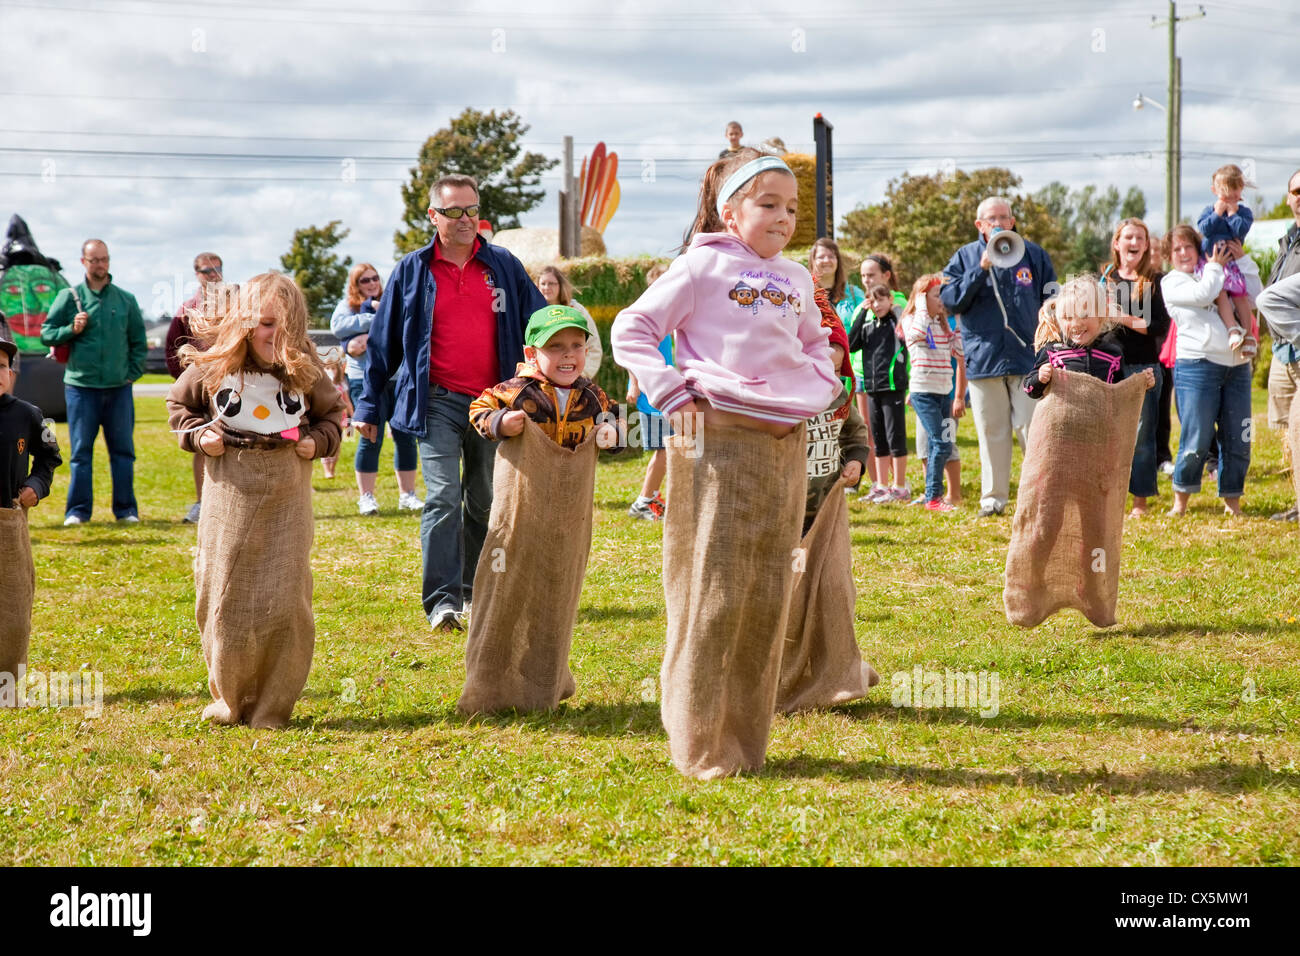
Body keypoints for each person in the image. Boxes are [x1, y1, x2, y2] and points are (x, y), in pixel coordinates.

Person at [612, 147, 840, 779]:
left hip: (782, 446)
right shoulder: (701, 266)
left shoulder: (797, 278)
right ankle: (700, 737)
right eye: (768, 204)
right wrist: (670, 390)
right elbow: (632, 328)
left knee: (768, 590)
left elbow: (819, 344)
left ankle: (743, 737)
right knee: (712, 589)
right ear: (729, 209)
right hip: (714, 444)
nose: (783, 217)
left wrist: (820, 386)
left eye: (792, 207)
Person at [355, 174, 547, 632]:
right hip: (436, 400)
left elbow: (538, 320)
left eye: (472, 210)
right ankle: (441, 601)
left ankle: (472, 591)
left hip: (495, 406)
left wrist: (564, 360)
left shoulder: (503, 266)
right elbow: (383, 346)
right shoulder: (412, 270)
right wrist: (367, 406)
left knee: (483, 500)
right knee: (441, 496)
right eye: (455, 211)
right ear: (433, 216)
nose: (466, 220)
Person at [167, 273, 344, 728]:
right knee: (222, 594)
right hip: (229, 490)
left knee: (285, 597)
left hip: (287, 490)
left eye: (285, 326)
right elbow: (179, 410)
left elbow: (332, 416)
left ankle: (272, 705)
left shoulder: (305, 369)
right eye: (266, 323)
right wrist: (199, 435)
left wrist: (319, 442)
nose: (275, 335)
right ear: (245, 324)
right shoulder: (214, 367)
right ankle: (230, 698)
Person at [458, 306, 619, 714]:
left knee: (556, 587)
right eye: (556, 347)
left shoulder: (592, 394)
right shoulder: (514, 390)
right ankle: (491, 680)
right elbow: (478, 409)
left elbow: (615, 422)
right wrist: (499, 422)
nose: (568, 356)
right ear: (532, 354)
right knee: (510, 580)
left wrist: (612, 433)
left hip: (568, 513)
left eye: (576, 346)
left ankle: (544, 676)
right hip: (523, 506)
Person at [941, 196, 1057, 517]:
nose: (998, 223)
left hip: (1027, 358)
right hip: (984, 358)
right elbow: (950, 300)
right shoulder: (964, 257)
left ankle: (1040, 497)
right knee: (992, 431)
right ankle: (993, 500)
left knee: (1030, 428)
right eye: (991, 218)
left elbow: (1052, 298)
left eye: (1004, 218)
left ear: (1013, 221)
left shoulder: (1032, 254)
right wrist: (980, 270)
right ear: (979, 225)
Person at [40, 239, 147, 526]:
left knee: (123, 453)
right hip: (81, 388)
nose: (100, 265)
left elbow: (138, 342)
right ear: (83, 262)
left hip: (118, 389)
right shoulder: (68, 297)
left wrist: (131, 374)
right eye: (94, 260)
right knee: (80, 454)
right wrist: (70, 328)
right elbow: (47, 334)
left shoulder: (126, 299)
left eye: (104, 259)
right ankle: (77, 512)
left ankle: (126, 511)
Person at [1161, 226, 1260, 516]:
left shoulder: (1223, 272)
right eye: (1176, 249)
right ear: (1169, 256)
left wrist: (1242, 263)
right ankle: (1181, 499)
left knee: (1239, 436)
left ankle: (1232, 499)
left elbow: (1254, 297)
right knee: (1196, 437)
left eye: (1188, 247)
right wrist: (1217, 267)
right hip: (1197, 365)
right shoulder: (1173, 283)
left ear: (1198, 248)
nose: (1183, 253)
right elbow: (1205, 293)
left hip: (1238, 367)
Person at [0, 318, 62, 684]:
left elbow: (51, 455)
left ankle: (6, 679)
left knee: (12, 605)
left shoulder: (30, 414)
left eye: (3, 367)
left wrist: (37, 485)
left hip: (8, 520)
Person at [331, 263, 420, 515]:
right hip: (365, 380)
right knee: (371, 437)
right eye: (364, 281)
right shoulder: (348, 305)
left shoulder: (391, 299)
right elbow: (338, 328)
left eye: (374, 279)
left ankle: (408, 495)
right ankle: (367, 498)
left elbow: (406, 325)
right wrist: (374, 318)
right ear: (355, 285)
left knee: (405, 437)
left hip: (399, 378)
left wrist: (365, 335)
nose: (371, 283)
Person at [1101, 219, 1172, 516]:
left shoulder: (1157, 280)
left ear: (1145, 246)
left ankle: (1139, 501)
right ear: (1117, 243)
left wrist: (1122, 317)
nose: (1134, 242)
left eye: (1139, 238)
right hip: (1107, 367)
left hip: (1143, 368)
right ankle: (1108, 497)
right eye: (1128, 237)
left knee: (1142, 437)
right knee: (1107, 435)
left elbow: (1159, 325)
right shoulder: (1103, 279)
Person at [166, 251, 225, 524]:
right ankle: (203, 503)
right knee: (203, 442)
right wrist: (186, 383)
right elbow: (172, 347)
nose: (212, 275)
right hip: (201, 386)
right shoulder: (187, 309)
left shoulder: (236, 304)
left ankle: (228, 501)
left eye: (217, 269)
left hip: (232, 384)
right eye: (206, 271)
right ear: (197, 274)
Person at [1024, 276, 1154, 398]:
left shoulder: (1113, 354)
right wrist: (1039, 378)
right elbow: (1029, 389)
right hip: (1064, 421)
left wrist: (1142, 384)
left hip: (1102, 421)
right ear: (1059, 319)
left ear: (1101, 316)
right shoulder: (1053, 352)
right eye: (1068, 317)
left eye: (1084, 315)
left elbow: (1120, 393)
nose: (1076, 324)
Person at [902, 275, 967, 511]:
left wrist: (958, 321)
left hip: (944, 393)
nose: (942, 300)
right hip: (923, 393)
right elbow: (917, 333)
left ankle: (934, 496)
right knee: (940, 441)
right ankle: (933, 497)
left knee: (945, 442)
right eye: (936, 295)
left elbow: (959, 353)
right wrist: (922, 307)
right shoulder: (911, 320)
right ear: (921, 299)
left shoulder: (943, 325)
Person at [1262, 168, 1300, 521]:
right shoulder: (1288, 241)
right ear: (1288, 198)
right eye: (1296, 191)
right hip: (1282, 351)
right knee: (1291, 431)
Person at [849, 283, 910, 502]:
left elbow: (906, 331)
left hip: (893, 387)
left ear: (890, 301)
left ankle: (900, 486)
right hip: (872, 388)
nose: (877, 305)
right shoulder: (867, 326)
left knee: (896, 438)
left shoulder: (896, 323)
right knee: (878, 438)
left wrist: (894, 310)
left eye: (881, 300)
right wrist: (862, 313)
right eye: (872, 301)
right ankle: (882, 486)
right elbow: (851, 344)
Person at [626, 262, 670, 520]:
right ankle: (644, 501)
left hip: (675, 391)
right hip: (653, 393)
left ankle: (654, 498)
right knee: (665, 449)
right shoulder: (646, 318)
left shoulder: (675, 316)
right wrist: (634, 383)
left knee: (678, 448)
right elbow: (632, 353)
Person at [1196, 164, 1256, 353]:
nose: (1229, 196)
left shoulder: (1243, 213)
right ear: (1214, 191)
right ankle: (1232, 330)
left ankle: (1249, 336)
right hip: (1213, 264)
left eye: (1234, 190)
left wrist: (1231, 213)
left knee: (1240, 297)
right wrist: (1217, 213)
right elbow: (1204, 229)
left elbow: (1240, 230)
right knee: (1220, 294)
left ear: (1241, 190)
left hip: (1233, 265)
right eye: (1224, 192)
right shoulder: (1209, 210)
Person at [536, 264, 603, 380]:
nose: (546, 287)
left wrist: (581, 375)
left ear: (560, 286)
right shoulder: (532, 314)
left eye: (551, 283)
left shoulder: (577, 310)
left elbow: (594, 347)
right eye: (543, 283)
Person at [319, 354, 353, 479]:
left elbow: (347, 401)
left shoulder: (341, 384)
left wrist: (351, 419)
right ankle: (326, 470)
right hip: (325, 417)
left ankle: (332, 469)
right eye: (328, 368)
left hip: (341, 418)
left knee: (337, 444)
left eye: (333, 368)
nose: (331, 371)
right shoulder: (321, 385)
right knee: (326, 443)